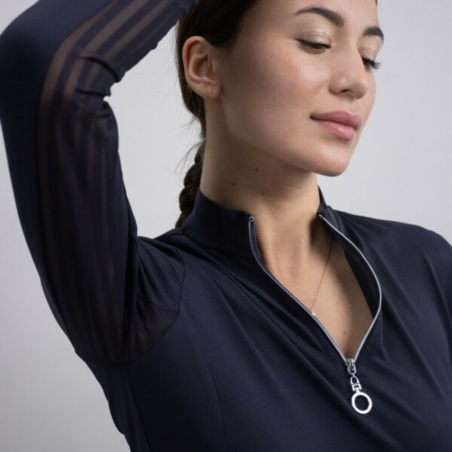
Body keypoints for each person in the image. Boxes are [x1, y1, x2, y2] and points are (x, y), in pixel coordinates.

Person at [0, 0, 451, 450]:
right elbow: (45, 57)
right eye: (315, 42)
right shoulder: (140, 303)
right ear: (204, 66)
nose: (358, 80)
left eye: (369, 57)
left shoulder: (425, 264)